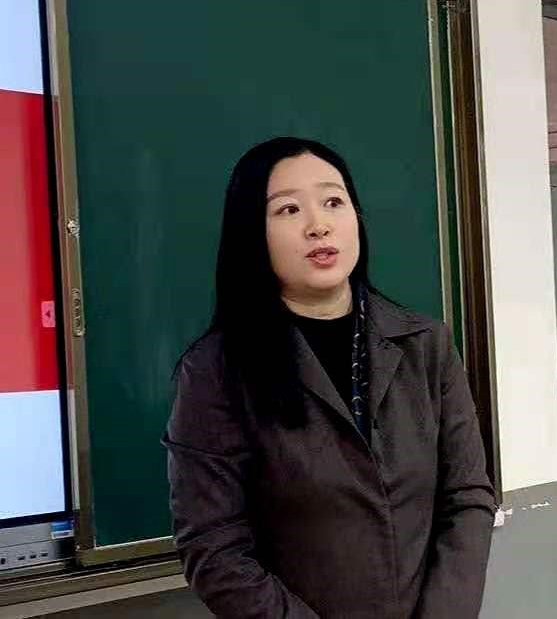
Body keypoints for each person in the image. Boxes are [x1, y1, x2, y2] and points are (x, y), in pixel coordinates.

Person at [165, 137, 495, 618]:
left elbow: (467, 497)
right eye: (288, 209)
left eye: (333, 202)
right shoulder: (214, 371)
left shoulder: (425, 344)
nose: (318, 225)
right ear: (252, 234)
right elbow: (215, 550)